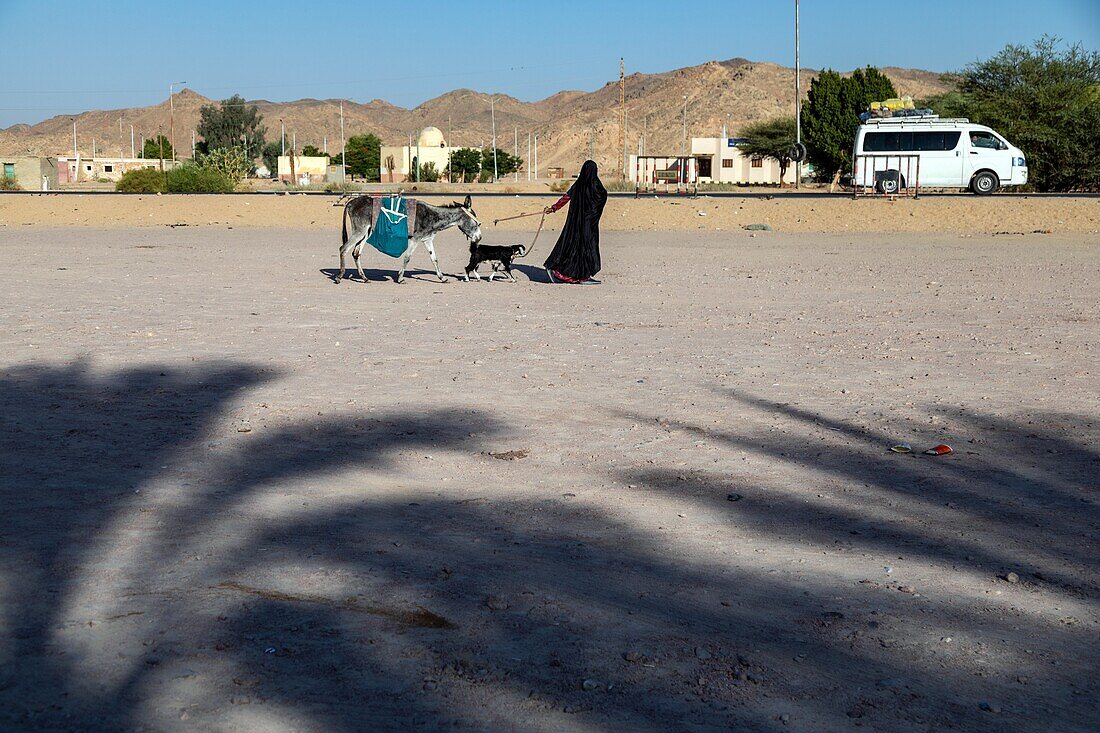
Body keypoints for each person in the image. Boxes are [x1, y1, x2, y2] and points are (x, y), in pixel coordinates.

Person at [542, 159, 607, 284]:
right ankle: (580, 276)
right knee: (587, 248)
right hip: (588, 226)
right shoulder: (596, 186)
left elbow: (566, 197)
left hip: (576, 224)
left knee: (572, 247)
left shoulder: (578, 184)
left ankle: (563, 272)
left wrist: (554, 208)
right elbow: (602, 197)